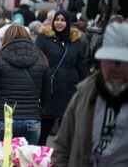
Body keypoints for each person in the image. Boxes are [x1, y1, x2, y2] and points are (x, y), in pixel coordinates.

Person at [53, 23, 128, 166]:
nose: (116, 69)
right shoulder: (85, 93)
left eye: (123, 62)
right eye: (111, 61)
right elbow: (62, 147)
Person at [0, 25, 51, 145]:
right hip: (32, 120)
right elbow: (47, 92)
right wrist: (38, 110)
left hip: (3, 119)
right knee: (26, 160)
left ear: (6, 38)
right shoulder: (41, 59)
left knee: (2, 160)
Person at [36, 9, 88, 145]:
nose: (59, 23)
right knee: (44, 127)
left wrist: (87, 86)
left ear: (68, 22)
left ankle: (64, 159)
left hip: (69, 89)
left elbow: (81, 65)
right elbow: (37, 62)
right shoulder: (44, 38)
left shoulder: (76, 41)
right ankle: (38, 157)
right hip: (50, 88)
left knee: (68, 128)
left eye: (63, 20)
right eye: (57, 19)